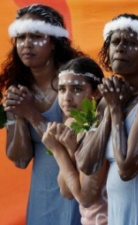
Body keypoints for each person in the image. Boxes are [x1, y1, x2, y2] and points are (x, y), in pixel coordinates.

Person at [1, 4, 84, 225]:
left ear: (54, 42)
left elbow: (72, 147)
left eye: (36, 36)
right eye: (21, 37)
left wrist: (31, 114)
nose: (26, 44)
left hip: (77, 189)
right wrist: (17, 115)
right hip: (42, 194)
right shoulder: (20, 89)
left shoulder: (75, 82)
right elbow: (20, 160)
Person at [76, 13, 138, 225]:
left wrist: (116, 110)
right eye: (115, 41)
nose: (120, 47)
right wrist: (109, 109)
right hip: (119, 213)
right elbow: (87, 164)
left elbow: (127, 168)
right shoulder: (110, 99)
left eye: (130, 42)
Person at [42, 56, 108, 225]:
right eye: (62, 89)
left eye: (77, 89)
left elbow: (85, 198)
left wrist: (58, 151)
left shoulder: (98, 127)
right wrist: (71, 151)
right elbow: (66, 191)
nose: (67, 97)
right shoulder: (73, 123)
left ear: (97, 92)